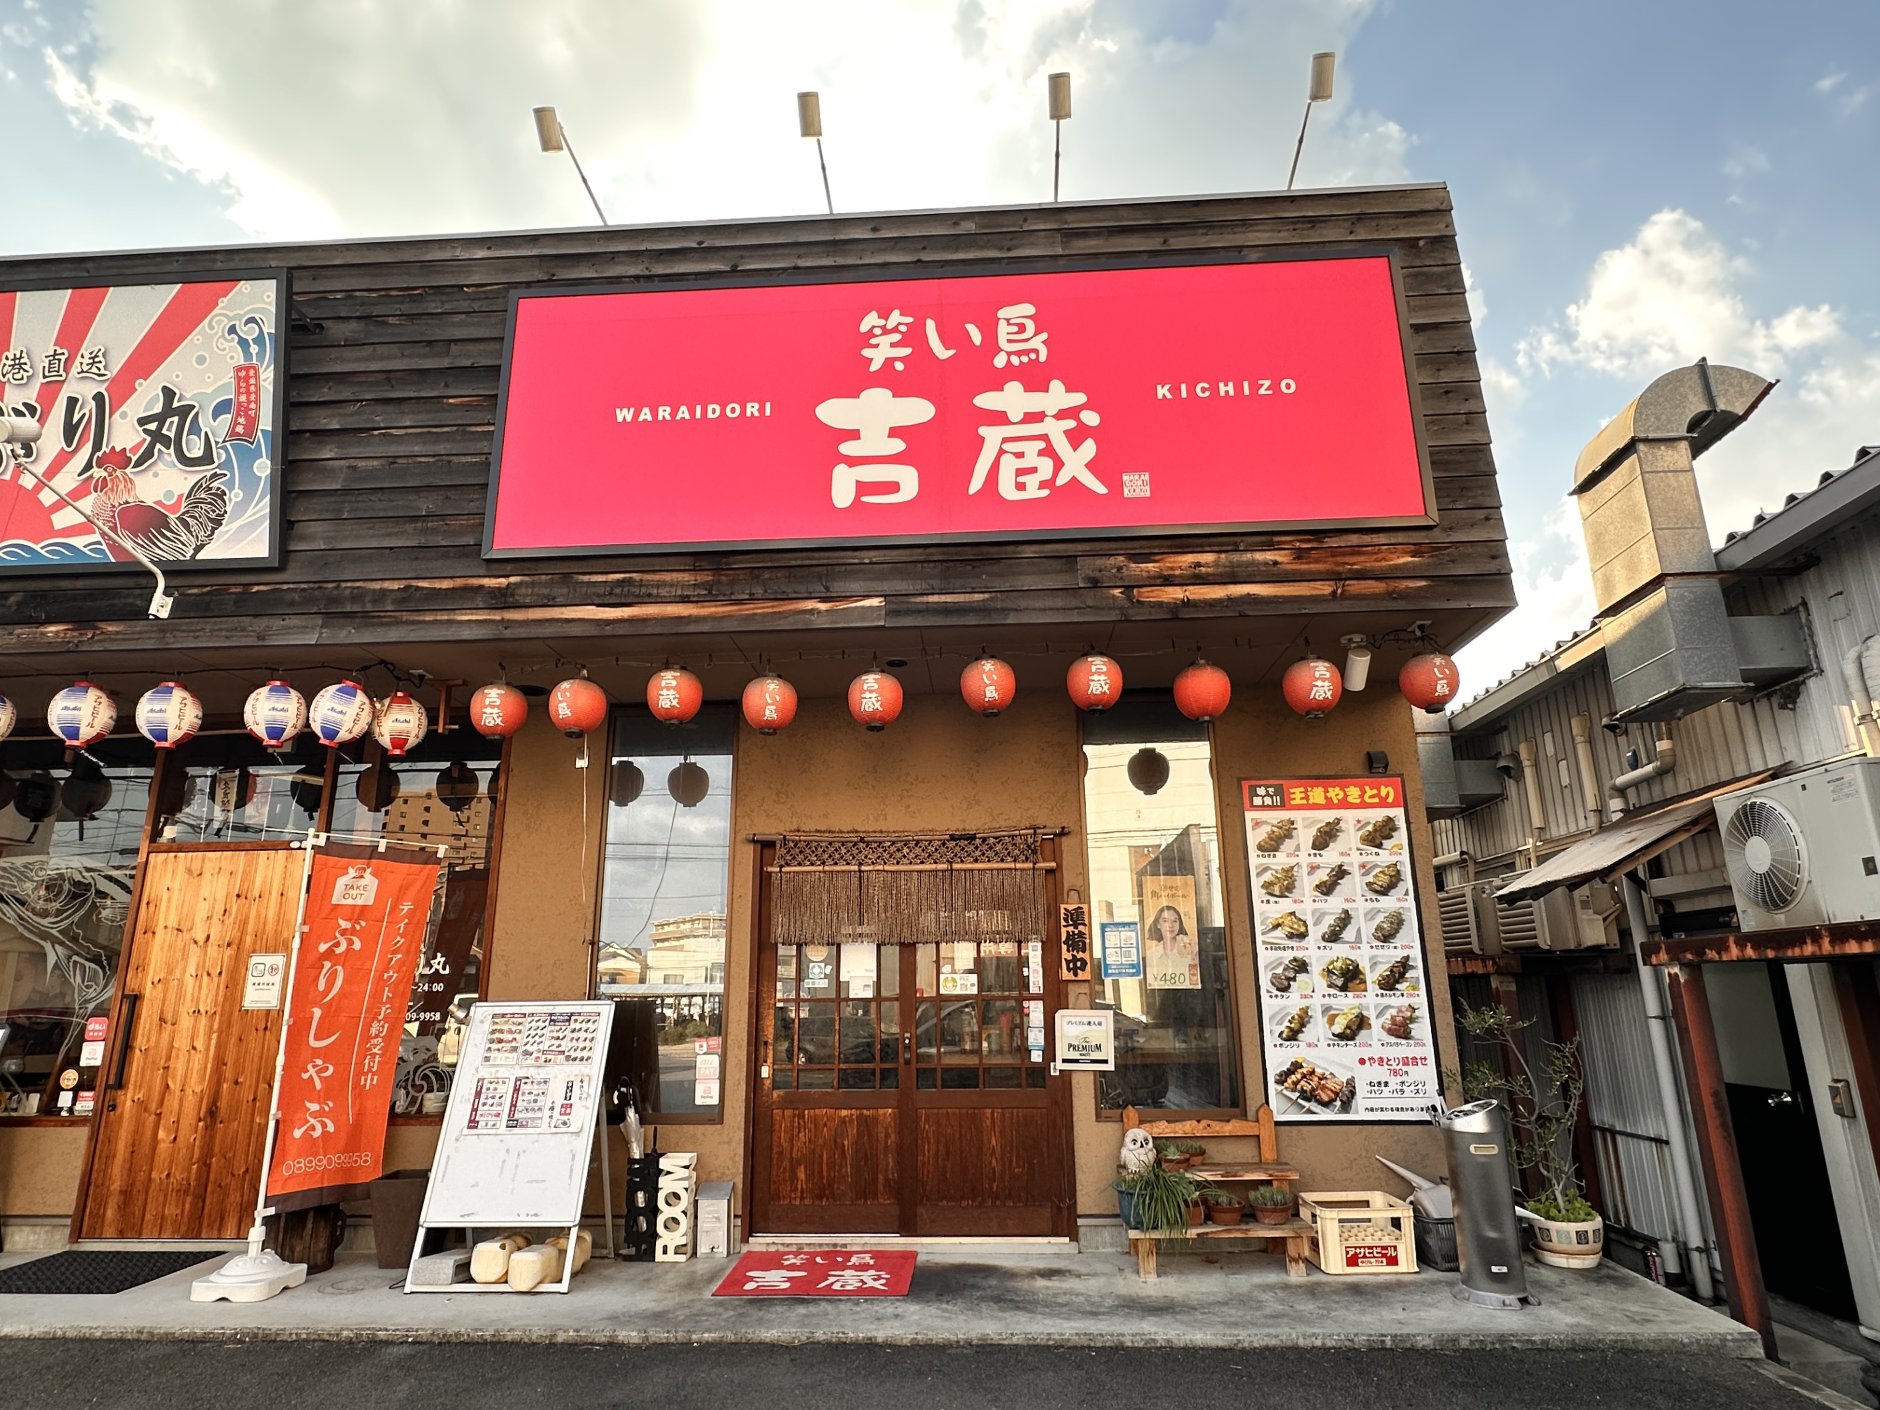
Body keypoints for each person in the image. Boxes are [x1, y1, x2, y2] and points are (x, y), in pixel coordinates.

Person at [1144, 904, 1199, 989]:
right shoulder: (1151, 955)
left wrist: (1193, 956)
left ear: (1179, 924)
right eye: (1165, 921)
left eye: (1175, 921)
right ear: (1158, 924)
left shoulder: (1190, 951)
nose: (1170, 925)